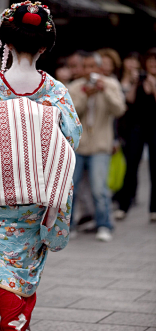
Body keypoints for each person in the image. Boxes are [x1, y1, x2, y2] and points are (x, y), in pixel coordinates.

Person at [0, 0, 82, 331]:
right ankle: (18, 329)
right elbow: (73, 137)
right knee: (28, 261)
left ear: (7, 43)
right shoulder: (56, 91)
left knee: (4, 262)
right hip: (40, 194)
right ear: (44, 45)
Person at [68, 52, 126, 242]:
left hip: (101, 145)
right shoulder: (75, 87)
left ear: (100, 69)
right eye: (86, 66)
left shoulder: (111, 84)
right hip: (78, 146)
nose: (89, 70)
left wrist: (105, 91)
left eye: (93, 66)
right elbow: (70, 114)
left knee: (99, 188)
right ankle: (69, 226)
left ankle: (104, 225)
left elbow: (119, 109)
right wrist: (85, 95)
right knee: (71, 189)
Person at [114, 48, 156, 222]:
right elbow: (128, 101)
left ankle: (154, 209)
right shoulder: (138, 78)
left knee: (155, 169)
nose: (152, 64)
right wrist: (134, 83)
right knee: (131, 166)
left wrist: (153, 84)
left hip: (154, 128)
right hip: (136, 127)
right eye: (150, 61)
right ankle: (124, 205)